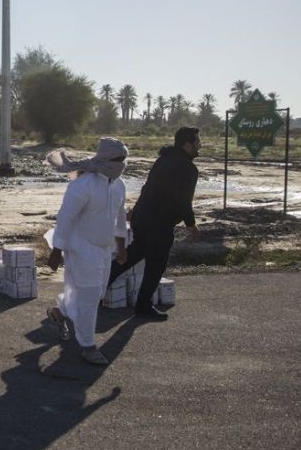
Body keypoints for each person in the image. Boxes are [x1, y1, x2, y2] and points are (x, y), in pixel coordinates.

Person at [45, 137, 129, 366]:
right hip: (81, 246)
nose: (122, 163)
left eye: (124, 159)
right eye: (118, 159)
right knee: (91, 296)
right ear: (106, 159)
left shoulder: (119, 185)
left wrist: (121, 246)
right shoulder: (85, 184)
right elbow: (66, 216)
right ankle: (88, 346)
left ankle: (60, 313)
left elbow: (120, 218)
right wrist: (57, 249)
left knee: (97, 293)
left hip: (105, 247)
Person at [106, 126, 201, 321]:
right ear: (187, 145)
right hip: (160, 223)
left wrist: (135, 211)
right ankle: (143, 306)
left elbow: (148, 187)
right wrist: (191, 224)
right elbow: (183, 200)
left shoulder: (163, 159)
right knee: (155, 266)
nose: (200, 146)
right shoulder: (188, 168)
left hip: (143, 218)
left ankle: (100, 286)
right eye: (197, 142)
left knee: (133, 254)